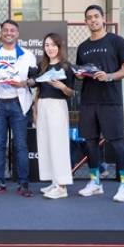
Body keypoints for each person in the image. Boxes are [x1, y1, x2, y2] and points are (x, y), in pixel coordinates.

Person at [76, 4, 124, 203]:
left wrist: (109, 76)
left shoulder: (116, 41)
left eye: (96, 16)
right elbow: (81, 71)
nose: (93, 20)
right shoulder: (83, 47)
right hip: (88, 101)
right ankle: (95, 183)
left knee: (117, 143)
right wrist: (80, 74)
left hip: (110, 101)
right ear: (86, 21)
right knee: (90, 143)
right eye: (89, 17)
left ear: (103, 19)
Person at [0, 19, 36, 197]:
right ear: (1, 33)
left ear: (17, 34)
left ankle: (23, 184)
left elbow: (35, 80)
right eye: (5, 30)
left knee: (21, 145)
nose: (9, 33)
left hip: (19, 104)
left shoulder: (27, 55)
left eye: (12, 30)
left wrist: (24, 83)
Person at [32, 33, 75, 199]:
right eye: (47, 45)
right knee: (45, 144)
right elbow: (38, 90)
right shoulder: (42, 66)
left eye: (53, 45)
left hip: (58, 106)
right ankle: (54, 181)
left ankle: (62, 186)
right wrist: (35, 110)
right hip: (43, 105)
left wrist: (61, 87)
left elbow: (71, 92)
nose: (50, 48)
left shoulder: (66, 67)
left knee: (58, 144)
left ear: (59, 47)